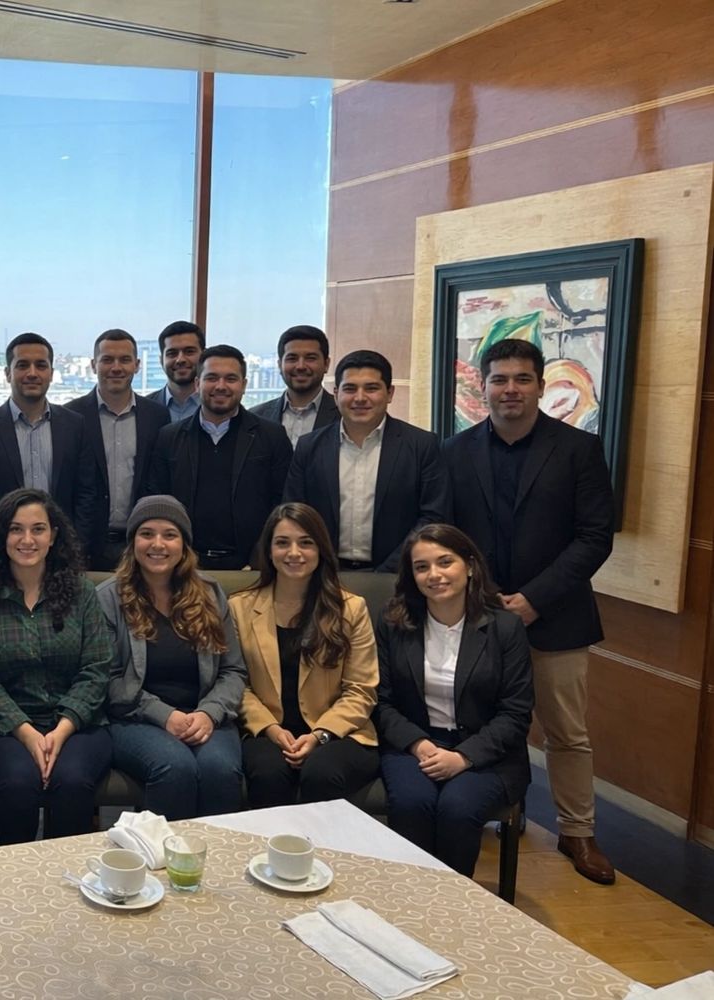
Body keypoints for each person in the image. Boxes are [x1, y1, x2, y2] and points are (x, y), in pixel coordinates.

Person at [443, 338, 616, 884]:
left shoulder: (579, 450)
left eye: (522, 379)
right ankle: (505, 810)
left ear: (541, 386)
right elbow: (448, 535)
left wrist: (534, 599)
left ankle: (577, 830)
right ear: (484, 387)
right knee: (484, 720)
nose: (510, 389)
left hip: (557, 616)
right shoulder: (455, 451)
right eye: (500, 379)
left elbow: (595, 537)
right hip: (479, 614)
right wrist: (488, 596)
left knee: (566, 731)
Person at [374, 524, 534, 876]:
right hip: (414, 745)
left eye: (445, 562)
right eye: (422, 567)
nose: (434, 574)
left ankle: (451, 903)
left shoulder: (506, 628)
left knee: (458, 809)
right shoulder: (394, 624)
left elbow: (516, 713)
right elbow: (381, 702)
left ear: (470, 566)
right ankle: (408, 897)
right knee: (412, 804)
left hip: (486, 752)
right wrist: (418, 744)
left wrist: (463, 757)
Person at [0, 488, 111, 844]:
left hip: (77, 724)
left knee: (72, 780)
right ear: (1, 535)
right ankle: (18, 875)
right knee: (18, 782)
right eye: (16, 529)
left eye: (38, 529)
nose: (27, 540)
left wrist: (61, 730)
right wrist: (26, 732)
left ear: (53, 536)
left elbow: (96, 668)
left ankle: (68, 875)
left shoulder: (81, 591)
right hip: (2, 728)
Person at [99, 495, 246, 819]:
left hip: (205, 715)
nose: (158, 544)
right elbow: (108, 680)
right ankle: (162, 852)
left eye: (169, 534)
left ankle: (215, 852)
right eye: (146, 534)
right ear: (133, 542)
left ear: (184, 544)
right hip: (135, 718)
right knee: (175, 767)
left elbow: (233, 670)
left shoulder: (210, 593)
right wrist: (165, 715)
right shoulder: (108, 598)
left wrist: (209, 713)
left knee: (220, 769)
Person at [229, 502, 380, 807]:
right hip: (266, 729)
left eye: (306, 543)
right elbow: (236, 683)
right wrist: (271, 729)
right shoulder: (239, 607)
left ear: (321, 549)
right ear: (268, 550)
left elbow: (361, 690)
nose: (294, 553)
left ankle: (324, 841)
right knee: (269, 773)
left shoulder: (351, 608)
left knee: (321, 773)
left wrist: (319, 735)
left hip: (340, 732)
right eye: (282, 543)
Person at [284, 349, 451, 573]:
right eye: (350, 389)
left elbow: (433, 517)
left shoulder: (422, 445)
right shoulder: (309, 447)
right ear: (336, 394)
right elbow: (295, 513)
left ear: (389, 393)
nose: (360, 398)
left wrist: (388, 571)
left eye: (371, 388)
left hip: (399, 575)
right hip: (325, 574)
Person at [146, 345, 292, 569]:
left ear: (244, 385)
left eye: (230, 379)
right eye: (212, 378)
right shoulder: (169, 437)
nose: (221, 386)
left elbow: (282, 501)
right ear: (197, 384)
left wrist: (262, 555)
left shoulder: (272, 436)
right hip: (184, 563)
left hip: (251, 565)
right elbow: (158, 500)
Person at [0, 332, 98, 548]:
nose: (32, 373)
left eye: (41, 365)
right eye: (22, 365)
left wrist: (75, 545)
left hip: (61, 547)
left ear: (51, 373)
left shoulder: (75, 425)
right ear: (8, 373)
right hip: (2, 548)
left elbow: (86, 494)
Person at [62, 328, 171, 571]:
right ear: (93, 365)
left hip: (141, 542)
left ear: (137, 365)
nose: (116, 367)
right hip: (86, 545)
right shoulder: (70, 416)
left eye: (124, 360)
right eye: (107, 360)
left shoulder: (157, 416)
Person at [248, 324, 340, 446]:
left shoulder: (343, 415)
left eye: (310, 358)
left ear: (326, 364)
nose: (301, 366)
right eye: (292, 358)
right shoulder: (255, 417)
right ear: (279, 365)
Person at [155, 320, 204, 424]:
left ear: (204, 356)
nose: (180, 360)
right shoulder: (143, 409)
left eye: (189, 352)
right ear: (161, 360)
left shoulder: (219, 407)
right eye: (172, 353)